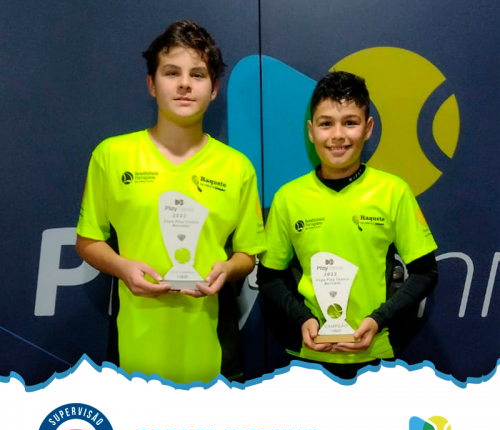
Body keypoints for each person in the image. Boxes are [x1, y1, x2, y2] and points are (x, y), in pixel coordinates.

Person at [76, 20, 265, 384]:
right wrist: (122, 267)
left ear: (214, 89)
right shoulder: (111, 156)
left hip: (213, 351)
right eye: (171, 72)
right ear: (152, 84)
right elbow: (87, 241)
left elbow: (247, 254)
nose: (184, 84)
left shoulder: (237, 167)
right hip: (134, 348)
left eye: (197, 74)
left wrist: (228, 270)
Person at [257, 71, 438, 379]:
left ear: (368, 128)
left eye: (350, 123)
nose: (338, 135)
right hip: (310, 356)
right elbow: (269, 277)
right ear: (311, 131)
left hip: (376, 354)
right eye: (326, 124)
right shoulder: (288, 197)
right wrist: (302, 319)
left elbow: (425, 272)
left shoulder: (393, 192)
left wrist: (378, 320)